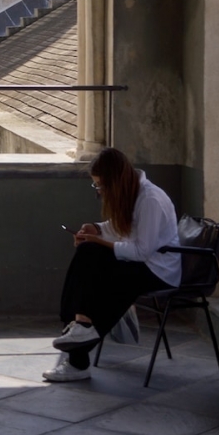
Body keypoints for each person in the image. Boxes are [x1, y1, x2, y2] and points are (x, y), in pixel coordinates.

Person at [44, 147, 180, 383]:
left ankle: (77, 350)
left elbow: (141, 251)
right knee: (89, 254)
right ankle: (79, 326)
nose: (99, 192)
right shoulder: (133, 193)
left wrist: (99, 241)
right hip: (142, 263)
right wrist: (96, 229)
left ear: (114, 182)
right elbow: (121, 226)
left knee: (107, 281)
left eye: (100, 186)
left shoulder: (151, 200)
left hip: (159, 270)